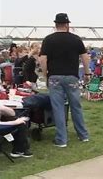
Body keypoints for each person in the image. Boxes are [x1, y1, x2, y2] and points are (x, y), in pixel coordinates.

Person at [39, 13, 91, 147]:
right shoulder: (76, 39)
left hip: (55, 76)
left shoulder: (48, 39)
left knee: (58, 108)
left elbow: (42, 59)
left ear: (55, 24)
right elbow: (85, 57)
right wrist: (87, 73)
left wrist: (46, 75)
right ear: (68, 25)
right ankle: (83, 135)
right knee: (76, 106)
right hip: (72, 77)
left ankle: (61, 140)